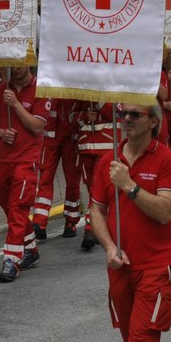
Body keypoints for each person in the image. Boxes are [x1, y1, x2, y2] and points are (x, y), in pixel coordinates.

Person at [88, 101, 171, 342]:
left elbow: (164, 212)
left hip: (156, 265)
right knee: (132, 336)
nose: (125, 120)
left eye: (134, 115)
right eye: (122, 114)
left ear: (153, 122)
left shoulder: (168, 160)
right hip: (120, 265)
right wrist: (109, 247)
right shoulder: (108, 162)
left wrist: (129, 185)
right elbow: (96, 210)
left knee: (143, 335)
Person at [0, 65, 48, 282]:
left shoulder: (40, 89)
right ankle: (30, 248)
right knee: (7, 206)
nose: (16, 69)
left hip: (27, 160)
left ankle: (11, 259)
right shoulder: (1, 90)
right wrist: (1, 132)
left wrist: (16, 104)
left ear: (29, 62)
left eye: (20, 63)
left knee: (18, 207)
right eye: (13, 64)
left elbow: (37, 126)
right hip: (4, 159)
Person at [32, 96, 83, 241]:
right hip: (50, 135)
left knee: (72, 180)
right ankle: (39, 222)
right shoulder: (51, 77)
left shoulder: (76, 77)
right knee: (45, 177)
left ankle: (71, 221)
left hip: (71, 136)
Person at [74, 100, 118, 251]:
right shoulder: (82, 91)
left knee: (96, 188)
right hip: (85, 147)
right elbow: (70, 117)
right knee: (93, 190)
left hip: (106, 147)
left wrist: (99, 101)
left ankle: (90, 228)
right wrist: (85, 116)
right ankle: (100, 225)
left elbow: (116, 113)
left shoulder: (114, 88)